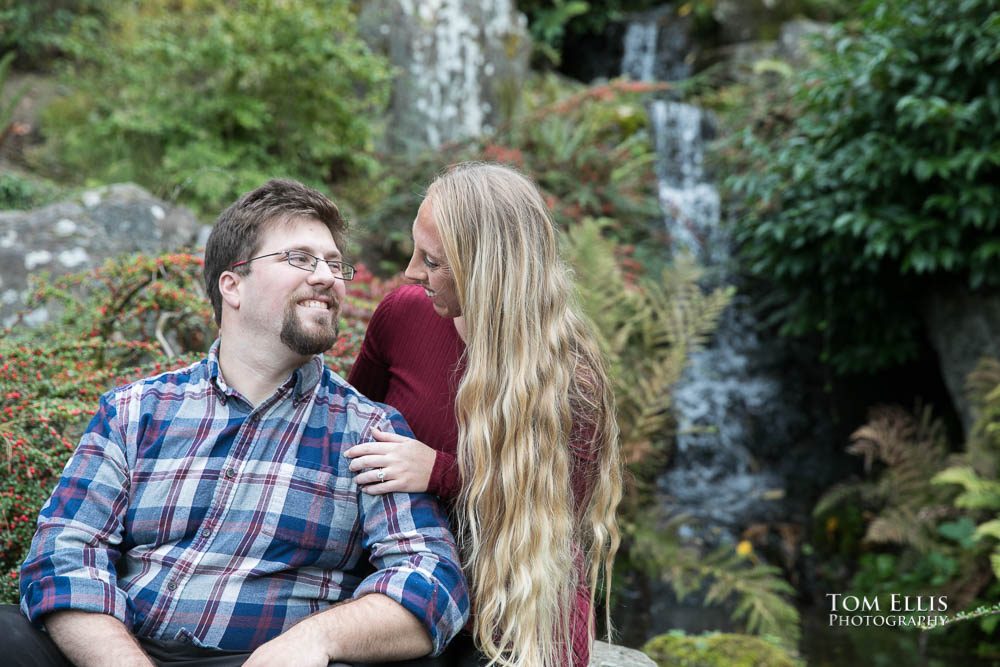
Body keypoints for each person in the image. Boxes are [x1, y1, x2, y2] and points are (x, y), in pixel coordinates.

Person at [6, 179, 468, 667]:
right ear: (233, 284)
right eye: (299, 259)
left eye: (334, 264)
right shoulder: (135, 411)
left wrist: (315, 639)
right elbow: (63, 553)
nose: (327, 277)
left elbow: (433, 578)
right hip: (126, 648)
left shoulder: (367, 431)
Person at [346, 162, 623, 667]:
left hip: (515, 607)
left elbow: (552, 516)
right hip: (404, 584)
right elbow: (345, 424)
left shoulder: (568, 379)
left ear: (486, 271)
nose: (410, 272)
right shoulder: (402, 315)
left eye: (431, 261)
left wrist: (438, 470)